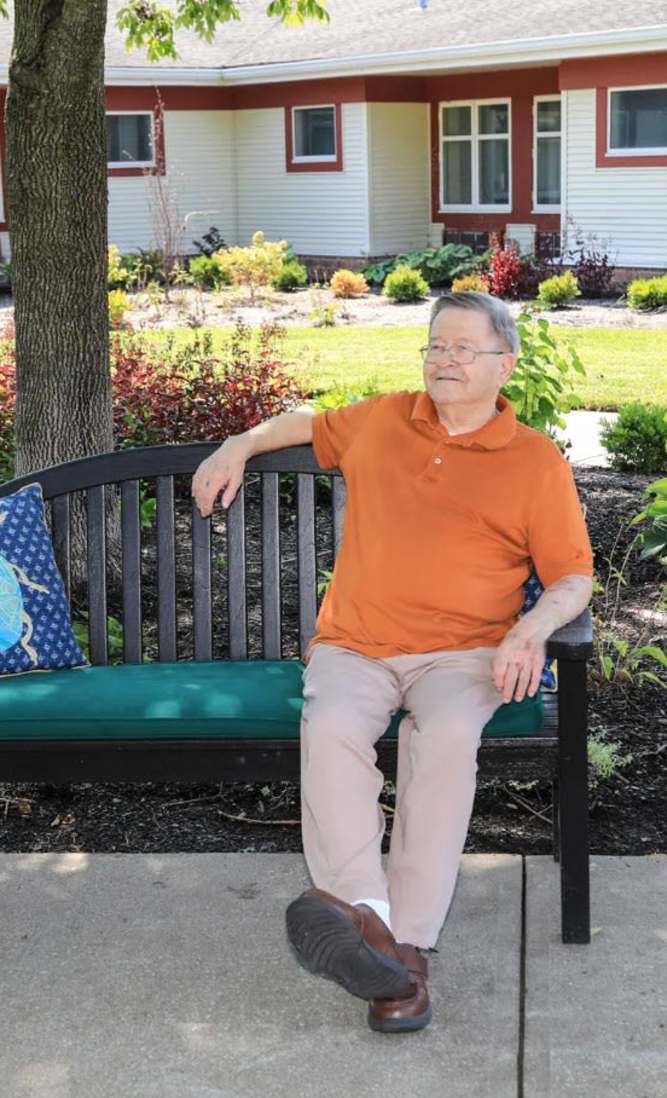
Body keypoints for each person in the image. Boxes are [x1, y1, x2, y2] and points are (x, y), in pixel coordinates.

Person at [191, 291, 594, 1035]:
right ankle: (377, 933)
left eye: (461, 349)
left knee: (441, 741)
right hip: (356, 643)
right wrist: (238, 445)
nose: (442, 359)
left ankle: (401, 943)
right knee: (333, 726)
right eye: (434, 345)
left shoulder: (534, 460)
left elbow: (572, 575)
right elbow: (303, 425)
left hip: (467, 652)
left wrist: (529, 631)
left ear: (503, 365)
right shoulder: (382, 418)